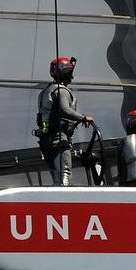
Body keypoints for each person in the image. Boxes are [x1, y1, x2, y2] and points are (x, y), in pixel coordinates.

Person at [35, 56, 93, 186]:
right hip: (59, 138)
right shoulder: (61, 91)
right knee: (65, 177)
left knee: (57, 180)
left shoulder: (46, 91)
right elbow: (64, 110)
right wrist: (83, 118)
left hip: (45, 140)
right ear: (67, 73)